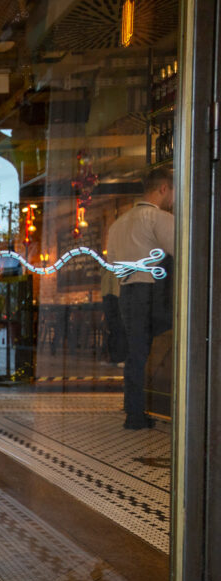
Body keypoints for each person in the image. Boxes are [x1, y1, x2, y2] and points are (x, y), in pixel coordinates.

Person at [105, 168, 175, 429]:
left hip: (126, 293)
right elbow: (183, 252)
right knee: (175, 340)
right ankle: (165, 404)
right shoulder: (159, 218)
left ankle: (134, 412)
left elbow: (113, 263)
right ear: (164, 189)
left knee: (136, 353)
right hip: (153, 293)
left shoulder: (118, 224)